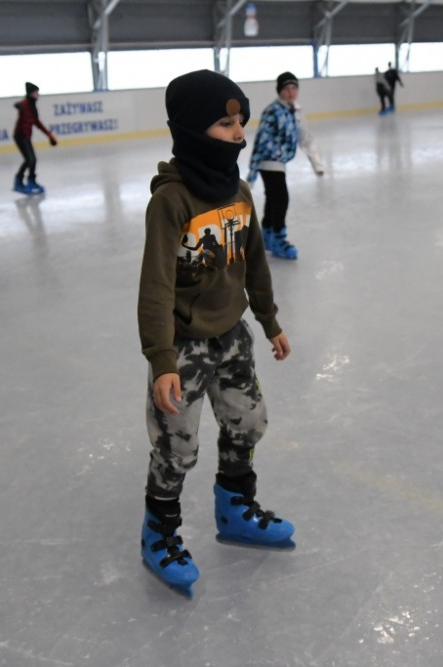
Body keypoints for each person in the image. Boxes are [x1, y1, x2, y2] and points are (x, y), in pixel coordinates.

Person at [137, 69, 295, 596]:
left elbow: (255, 264)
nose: (239, 133)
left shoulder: (240, 191)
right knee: (176, 447)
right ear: (191, 130)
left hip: (234, 336)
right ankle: (159, 533)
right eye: (226, 124)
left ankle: (235, 509)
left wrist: (268, 320)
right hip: (184, 348)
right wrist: (162, 358)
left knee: (248, 423)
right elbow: (156, 285)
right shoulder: (172, 201)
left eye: (241, 122)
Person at [247, 71, 324, 260]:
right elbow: (261, 140)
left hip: (279, 161)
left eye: (294, 88)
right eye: (286, 89)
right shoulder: (272, 111)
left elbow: (305, 138)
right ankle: (279, 239)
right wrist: (253, 171)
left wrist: (317, 164)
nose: (290, 93)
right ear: (279, 91)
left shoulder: (296, 111)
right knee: (281, 197)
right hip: (269, 160)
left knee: (273, 197)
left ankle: (267, 235)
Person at [12, 82, 57, 195]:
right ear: (31, 93)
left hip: (26, 137)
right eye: (36, 92)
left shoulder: (32, 106)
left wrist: (49, 134)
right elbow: (19, 105)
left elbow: (37, 122)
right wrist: (18, 105)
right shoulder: (25, 104)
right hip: (20, 136)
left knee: (33, 159)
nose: (38, 94)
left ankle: (31, 181)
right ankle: (18, 181)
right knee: (29, 159)